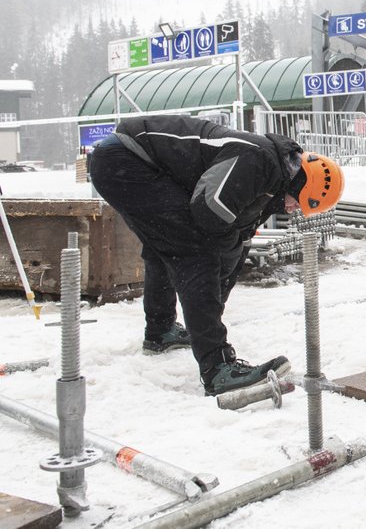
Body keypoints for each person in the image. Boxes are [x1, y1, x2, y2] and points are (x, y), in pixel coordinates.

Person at [88, 115, 344, 395]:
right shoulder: (259, 161)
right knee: (192, 250)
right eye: (300, 202)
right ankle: (218, 369)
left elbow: (240, 241)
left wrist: (213, 303)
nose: (295, 210)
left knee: (168, 245)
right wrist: (207, 298)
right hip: (125, 160)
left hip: (129, 163)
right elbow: (209, 212)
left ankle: (160, 331)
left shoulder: (272, 186)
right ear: (298, 185)